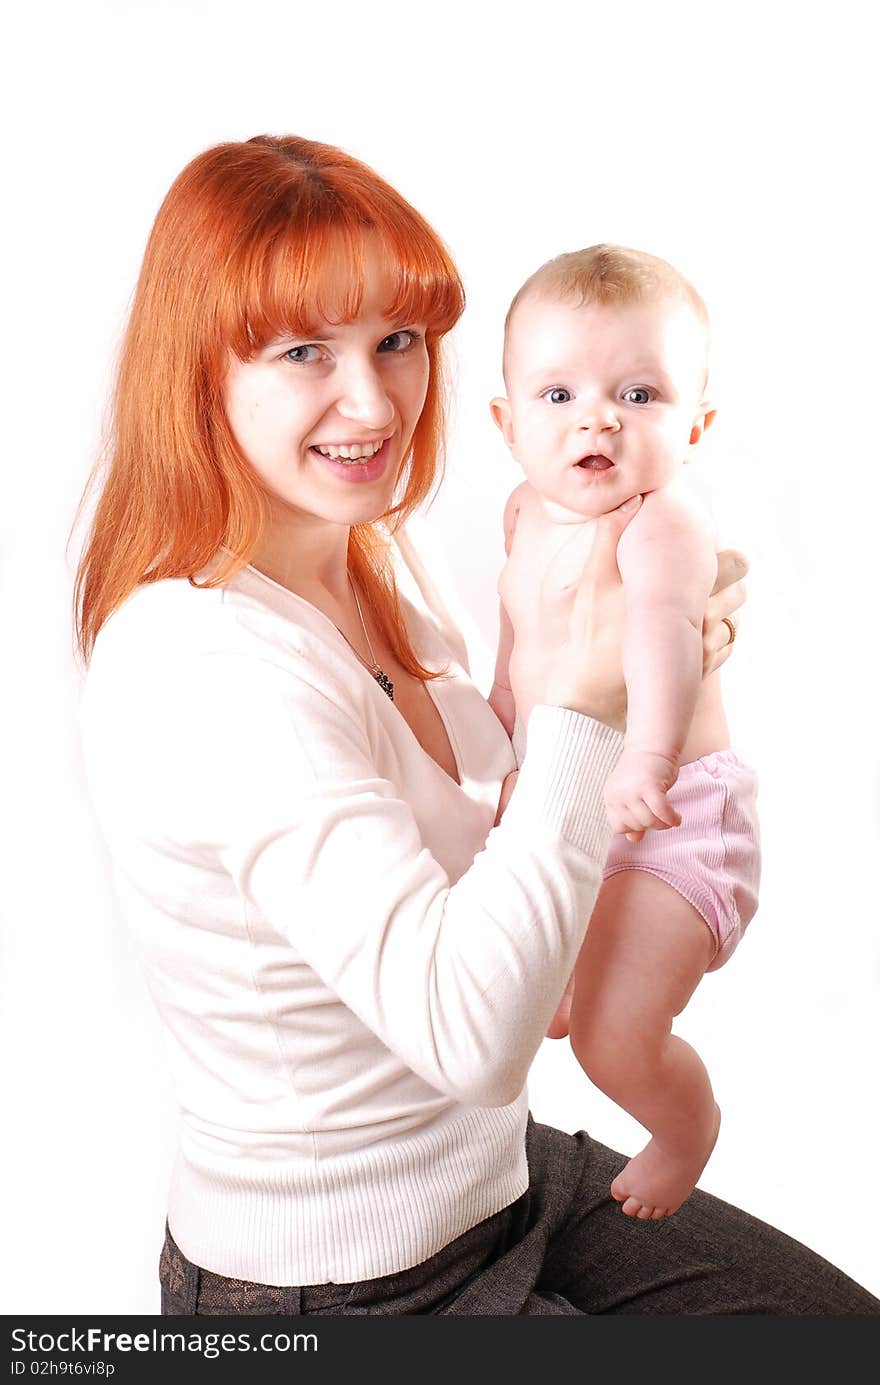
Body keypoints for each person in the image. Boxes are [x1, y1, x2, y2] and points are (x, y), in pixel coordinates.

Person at [74, 135, 878, 1315]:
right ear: (199, 371)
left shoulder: (372, 561)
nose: (375, 400)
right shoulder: (204, 665)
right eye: (306, 352)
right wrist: (594, 707)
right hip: (345, 1284)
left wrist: (645, 649)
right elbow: (468, 1031)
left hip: (499, 1181)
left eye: (397, 340)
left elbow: (507, 822)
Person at [488, 245, 760, 1221]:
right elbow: (517, 640)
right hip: (584, 800)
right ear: (505, 420)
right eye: (557, 394)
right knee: (531, 992)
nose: (597, 416)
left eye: (639, 393)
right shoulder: (524, 511)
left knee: (611, 1038)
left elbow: (661, 644)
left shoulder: (661, 522)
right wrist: (497, 735)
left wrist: (647, 761)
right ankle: (573, 972)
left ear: (697, 422)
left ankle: (685, 1126)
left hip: (670, 812)